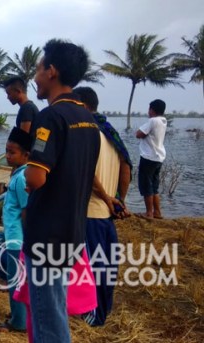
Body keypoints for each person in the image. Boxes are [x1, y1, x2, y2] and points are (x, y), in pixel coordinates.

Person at [22, 39, 100, 342]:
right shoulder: (88, 120)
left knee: (48, 319)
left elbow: (36, 178)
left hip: (47, 236)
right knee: (53, 310)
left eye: (39, 69)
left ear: (51, 71)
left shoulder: (50, 117)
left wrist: (27, 171)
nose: (36, 77)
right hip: (73, 233)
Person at [74, 86, 132, 326]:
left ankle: (93, 316)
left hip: (92, 211)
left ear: (84, 107)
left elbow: (87, 173)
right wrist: (119, 199)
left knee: (93, 267)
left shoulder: (86, 135)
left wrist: (107, 198)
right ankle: (102, 312)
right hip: (106, 214)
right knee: (107, 266)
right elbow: (127, 167)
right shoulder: (110, 134)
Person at [0, 126, 33, 333]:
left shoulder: (21, 178)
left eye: (12, 152)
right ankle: (19, 316)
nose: (7, 156)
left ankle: (18, 323)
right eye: (6, 151)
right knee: (16, 279)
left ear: (26, 155)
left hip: (17, 240)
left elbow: (27, 210)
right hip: (13, 236)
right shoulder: (19, 174)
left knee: (15, 282)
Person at [136, 99, 168, 219]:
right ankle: (157, 212)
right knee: (154, 186)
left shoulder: (153, 121)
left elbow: (139, 134)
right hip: (158, 157)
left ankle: (149, 213)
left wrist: (139, 132)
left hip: (149, 156)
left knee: (146, 185)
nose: (148, 111)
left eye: (149, 109)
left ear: (152, 110)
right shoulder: (163, 121)